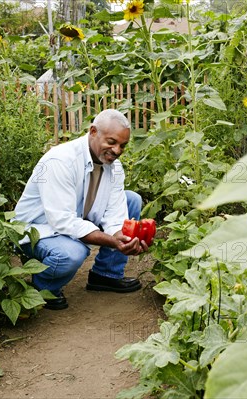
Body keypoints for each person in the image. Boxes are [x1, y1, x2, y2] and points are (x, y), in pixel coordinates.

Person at [13, 109, 148, 310]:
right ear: (93, 132)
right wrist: (113, 241)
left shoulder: (114, 167)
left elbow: (115, 215)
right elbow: (63, 221)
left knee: (131, 200)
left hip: (75, 218)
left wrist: (124, 238)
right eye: (111, 142)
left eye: (123, 145)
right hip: (38, 231)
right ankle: (44, 288)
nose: (117, 150)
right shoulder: (60, 161)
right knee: (72, 253)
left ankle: (105, 275)